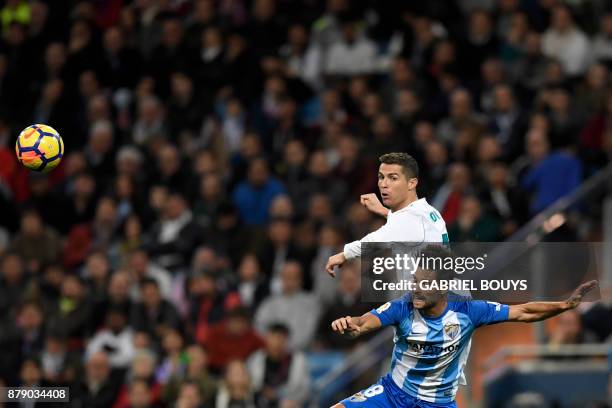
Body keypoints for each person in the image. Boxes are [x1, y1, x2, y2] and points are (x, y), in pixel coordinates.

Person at [329, 245, 598, 407]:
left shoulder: (469, 312)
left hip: (438, 404)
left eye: (425, 283)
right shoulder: (403, 306)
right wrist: (352, 325)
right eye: (415, 281)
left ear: (444, 285)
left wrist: (564, 306)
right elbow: (365, 322)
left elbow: (524, 311)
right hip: (393, 393)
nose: (417, 288)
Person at [326, 152, 448, 278]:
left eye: (393, 178)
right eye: (381, 177)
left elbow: (376, 239)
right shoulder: (426, 210)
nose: (384, 184)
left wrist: (344, 254)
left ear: (411, 183)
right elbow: (405, 226)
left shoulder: (412, 218)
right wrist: (386, 212)